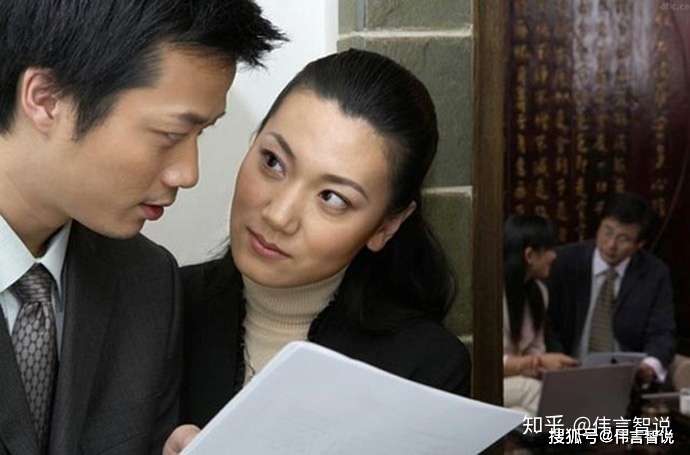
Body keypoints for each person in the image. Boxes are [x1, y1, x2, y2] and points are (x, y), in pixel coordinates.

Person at [0, 2, 283, 454]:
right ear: (46, 99)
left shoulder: (147, 283)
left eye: (201, 134)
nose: (188, 173)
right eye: (171, 135)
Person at [163, 49, 472, 453]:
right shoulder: (159, 309)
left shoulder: (425, 371)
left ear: (386, 226)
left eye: (332, 198)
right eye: (273, 162)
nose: (279, 215)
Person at [547, 192, 675, 386]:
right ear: (599, 226)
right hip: (567, 373)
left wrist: (649, 366)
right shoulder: (564, 262)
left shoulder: (654, 273)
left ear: (639, 245)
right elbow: (548, 324)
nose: (611, 245)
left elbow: (662, 332)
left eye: (624, 239)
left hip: (626, 381)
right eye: (607, 232)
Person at [502, 215, 577, 416]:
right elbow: (489, 363)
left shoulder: (539, 292)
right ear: (529, 255)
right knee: (538, 393)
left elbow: (536, 349)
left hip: (519, 380)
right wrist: (539, 362)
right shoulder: (492, 296)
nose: (554, 256)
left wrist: (546, 367)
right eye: (549, 249)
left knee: (523, 413)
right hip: (491, 382)